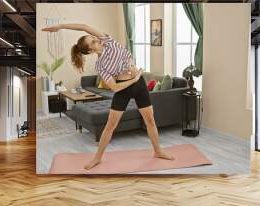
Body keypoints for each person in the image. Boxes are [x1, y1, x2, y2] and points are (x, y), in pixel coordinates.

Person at [42, 23, 174, 170]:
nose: (95, 39)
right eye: (92, 41)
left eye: (93, 37)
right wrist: (134, 79)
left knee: (150, 120)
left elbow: (84, 26)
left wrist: (60, 26)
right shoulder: (100, 65)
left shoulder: (108, 41)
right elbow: (115, 87)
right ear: (91, 50)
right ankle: (97, 158)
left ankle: (158, 151)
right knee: (110, 126)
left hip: (139, 86)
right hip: (123, 88)